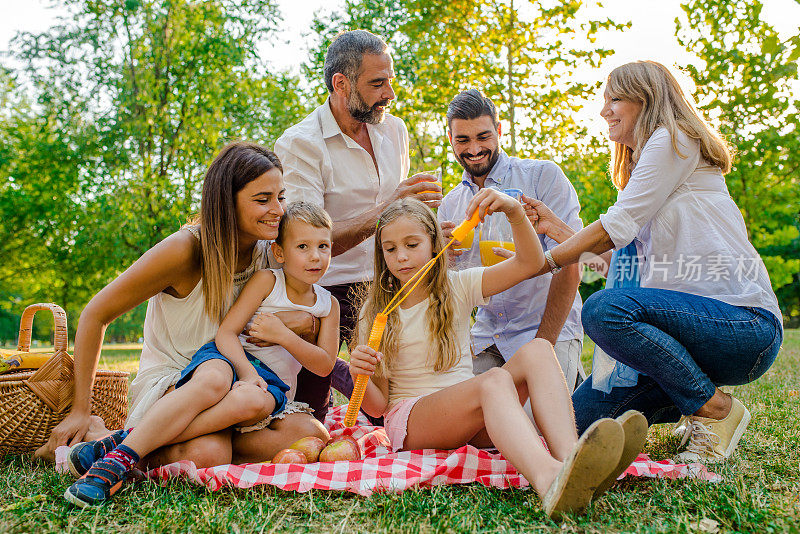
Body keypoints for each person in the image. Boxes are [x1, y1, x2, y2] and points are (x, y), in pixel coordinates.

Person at [38, 143, 329, 502]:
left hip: (235, 382)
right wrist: (80, 409)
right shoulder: (185, 250)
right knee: (209, 454)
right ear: (227, 201)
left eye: (281, 197)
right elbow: (96, 314)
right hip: (178, 381)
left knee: (308, 431)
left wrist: (303, 323)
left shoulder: (269, 251)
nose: (278, 211)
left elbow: (301, 302)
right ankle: (110, 443)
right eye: (263, 199)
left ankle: (117, 440)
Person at [529, 61, 783, 463]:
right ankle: (693, 402)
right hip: (683, 336)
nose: (603, 111)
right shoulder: (650, 172)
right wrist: (557, 229)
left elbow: (617, 225)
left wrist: (541, 262)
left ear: (644, 99)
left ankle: (716, 409)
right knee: (563, 428)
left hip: (745, 326)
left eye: (614, 99)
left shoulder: (673, 138)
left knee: (603, 311)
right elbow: (623, 267)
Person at [347, 194, 646, 517]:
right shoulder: (376, 312)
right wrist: (357, 374)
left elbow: (530, 264)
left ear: (434, 244)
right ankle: (548, 480)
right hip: (411, 423)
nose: (401, 257)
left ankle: (571, 460)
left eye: (411, 244)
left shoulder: (456, 286)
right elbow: (378, 405)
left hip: (466, 417)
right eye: (390, 249)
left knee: (538, 350)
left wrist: (514, 212)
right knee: (493, 380)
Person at [274, 29, 442, 421]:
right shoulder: (301, 143)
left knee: (395, 409)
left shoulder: (394, 130)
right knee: (308, 416)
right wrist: (390, 206)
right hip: (325, 292)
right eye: (377, 83)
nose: (390, 93)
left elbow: (398, 215)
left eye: (391, 81)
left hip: (392, 281)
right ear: (341, 83)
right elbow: (306, 241)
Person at [438, 89, 586, 391]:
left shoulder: (543, 177)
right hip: (488, 336)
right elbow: (451, 288)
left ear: (499, 131)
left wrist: (543, 346)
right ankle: (580, 391)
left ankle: (578, 393)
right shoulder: (450, 205)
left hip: (547, 328)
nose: (475, 148)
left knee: (540, 424)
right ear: (450, 140)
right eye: (463, 140)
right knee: (463, 423)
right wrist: (437, 256)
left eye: (484, 136)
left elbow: (573, 263)